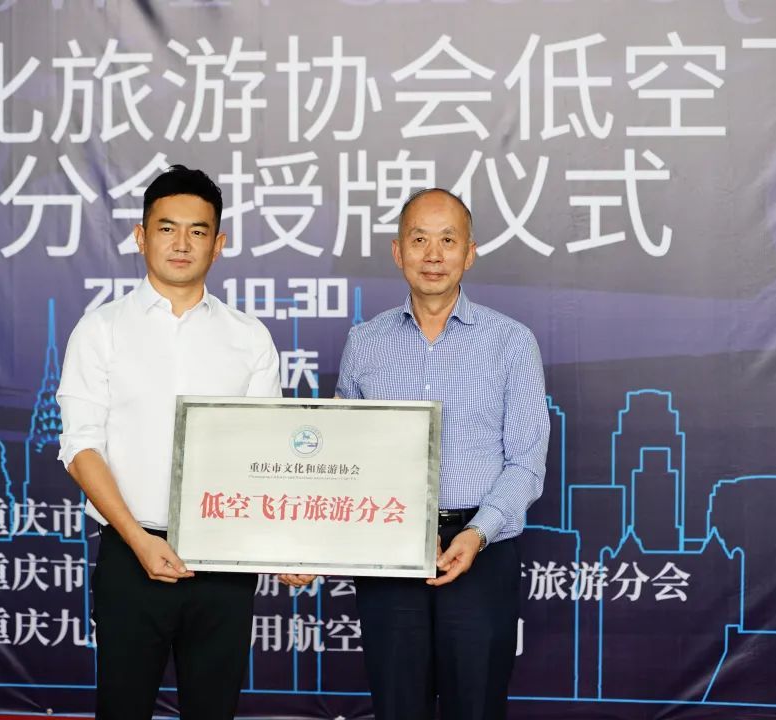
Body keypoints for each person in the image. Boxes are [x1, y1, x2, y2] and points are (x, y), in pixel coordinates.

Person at [56, 165, 281, 720]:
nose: (182, 243)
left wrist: (288, 547)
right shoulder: (101, 330)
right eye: (166, 228)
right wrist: (138, 539)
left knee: (214, 711)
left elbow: (267, 455)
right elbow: (80, 449)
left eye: (198, 231)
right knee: (123, 709)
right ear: (141, 236)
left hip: (224, 562)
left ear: (218, 244)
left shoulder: (249, 338)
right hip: (131, 556)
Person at [334, 188, 549, 719]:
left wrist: (477, 532)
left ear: (469, 253)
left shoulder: (510, 342)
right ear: (397, 251)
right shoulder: (365, 342)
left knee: (475, 706)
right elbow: (344, 458)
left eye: (448, 241)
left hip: (482, 549)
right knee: (396, 705)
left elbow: (527, 460)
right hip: (387, 546)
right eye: (419, 240)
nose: (433, 255)